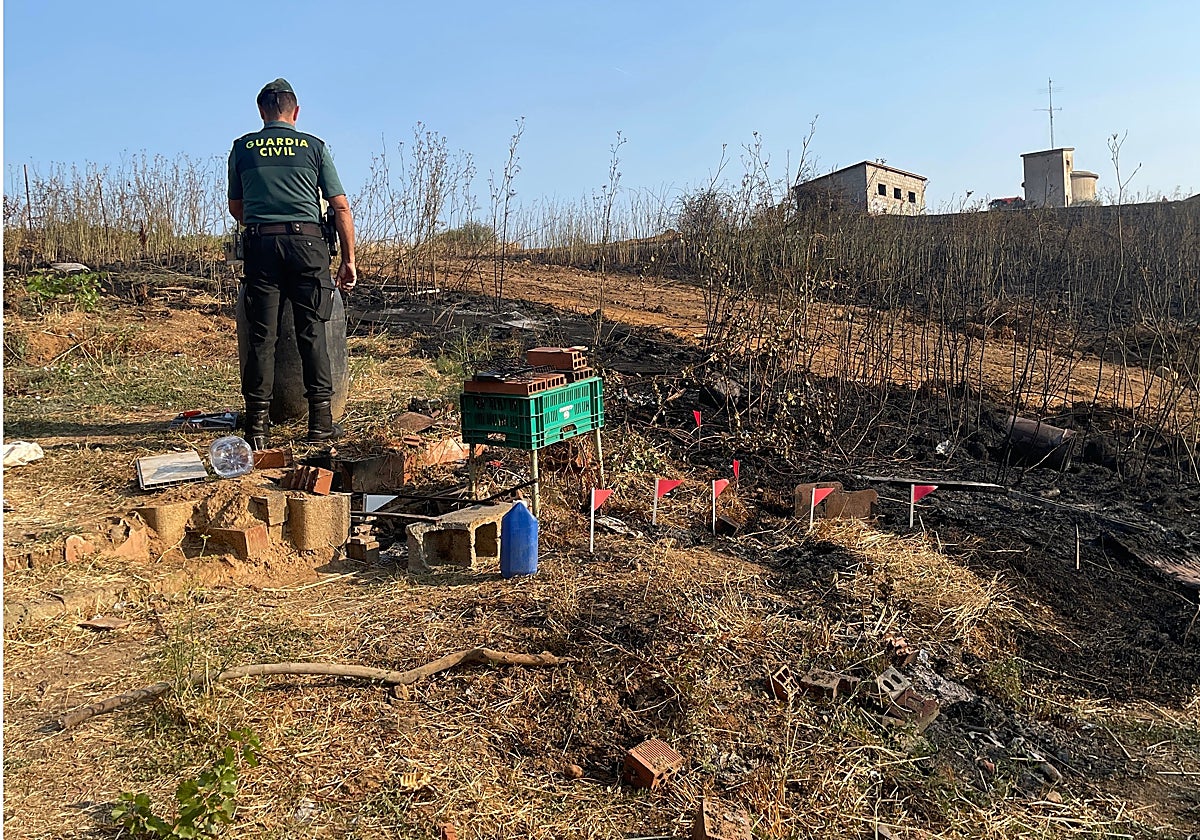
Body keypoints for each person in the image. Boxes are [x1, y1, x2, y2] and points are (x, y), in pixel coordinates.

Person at [227, 78, 356, 449]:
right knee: (312, 331)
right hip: (308, 244)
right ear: (295, 111)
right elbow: (340, 206)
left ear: (261, 111)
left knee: (261, 336)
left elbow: (238, 208)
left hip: (261, 245)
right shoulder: (313, 147)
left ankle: (256, 430)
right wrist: (348, 260)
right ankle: (320, 425)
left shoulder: (243, 148)